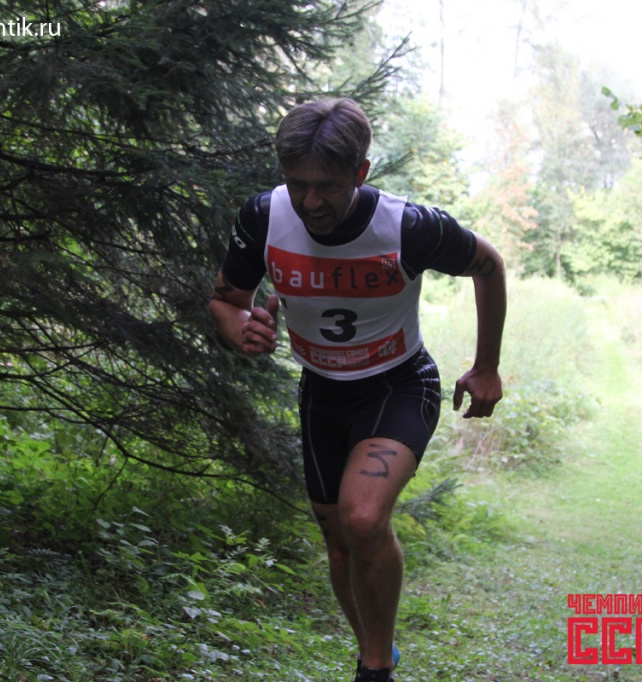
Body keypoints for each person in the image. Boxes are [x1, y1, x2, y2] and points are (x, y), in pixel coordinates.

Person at [208, 98, 506, 682]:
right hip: (322, 392)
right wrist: (240, 329)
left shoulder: (409, 227)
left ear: (361, 172)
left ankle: (373, 670)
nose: (311, 202)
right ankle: (378, 650)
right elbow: (227, 301)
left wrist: (487, 366)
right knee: (340, 543)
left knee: (364, 518)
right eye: (298, 184)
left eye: (327, 186)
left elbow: (488, 264)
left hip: (399, 383)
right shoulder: (263, 216)